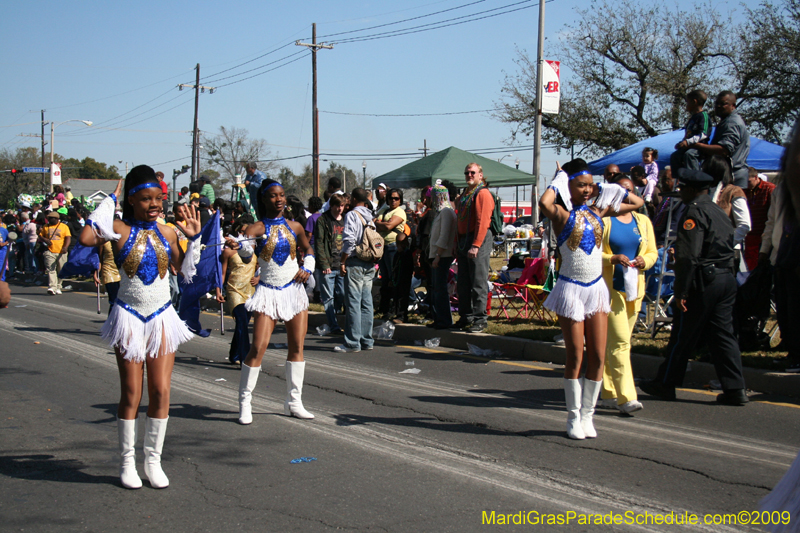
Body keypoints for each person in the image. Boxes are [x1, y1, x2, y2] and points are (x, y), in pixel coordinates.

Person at [79, 166, 202, 490]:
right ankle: (126, 462)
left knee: (161, 390)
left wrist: (192, 238)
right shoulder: (117, 228)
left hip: (162, 316)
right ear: (132, 199)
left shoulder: (169, 231)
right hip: (130, 317)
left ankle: (153, 459)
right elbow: (86, 237)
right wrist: (110, 201)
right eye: (146, 199)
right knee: (132, 392)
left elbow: (182, 268)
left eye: (158, 198)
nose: (154, 204)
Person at [539, 158, 644, 440]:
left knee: (598, 355)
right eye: (580, 185)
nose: (586, 190)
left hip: (596, 289)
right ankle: (573, 417)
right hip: (571, 289)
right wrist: (559, 177)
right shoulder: (561, 214)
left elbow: (637, 202)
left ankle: (588, 415)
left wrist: (609, 185)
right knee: (576, 355)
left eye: (589, 185)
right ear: (569, 187)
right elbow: (544, 203)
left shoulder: (600, 210)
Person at [639, 168, 749, 405]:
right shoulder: (717, 211)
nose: (680, 192)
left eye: (682, 188)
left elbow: (688, 257)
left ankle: (665, 383)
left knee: (681, 335)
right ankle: (735, 388)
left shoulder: (694, 212)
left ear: (691, 189)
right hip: (725, 278)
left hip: (703, 281)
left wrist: (681, 292)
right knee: (723, 335)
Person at [229, 180, 315, 425]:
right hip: (267, 292)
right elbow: (247, 256)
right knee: (258, 347)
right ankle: (245, 402)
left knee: (297, 347)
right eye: (273, 196)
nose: (279, 199)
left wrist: (308, 267)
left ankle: (294, 402)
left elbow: (308, 250)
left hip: (293, 290)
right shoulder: (256, 228)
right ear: (264, 199)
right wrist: (242, 245)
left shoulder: (295, 226)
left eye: (282, 195)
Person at [599, 178, 658, 414]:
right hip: (609, 290)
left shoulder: (642, 221)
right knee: (621, 342)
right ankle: (627, 397)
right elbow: (590, 253)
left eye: (629, 192)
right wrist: (611, 258)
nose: (625, 196)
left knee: (615, 343)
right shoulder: (603, 221)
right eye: (619, 192)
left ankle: (608, 391)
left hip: (634, 289)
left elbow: (653, 251)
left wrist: (646, 261)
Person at [335, 188, 378, 353]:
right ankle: (367, 340)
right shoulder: (370, 217)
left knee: (353, 301)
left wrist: (343, 261)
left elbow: (349, 240)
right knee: (366, 302)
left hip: (355, 262)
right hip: (369, 263)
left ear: (353, 199)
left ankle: (353, 342)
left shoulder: (352, 215)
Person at [455, 163, 495, 333]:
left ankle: (480, 319)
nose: (469, 175)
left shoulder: (482, 193)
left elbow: (483, 222)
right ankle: (466, 316)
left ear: (480, 175)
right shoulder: (465, 194)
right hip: (464, 240)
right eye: (467, 173)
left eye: (473, 172)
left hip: (478, 239)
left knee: (478, 282)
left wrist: (476, 245)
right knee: (463, 282)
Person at [216, 222, 257, 365]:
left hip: (250, 291)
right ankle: (246, 357)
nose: (244, 235)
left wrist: (258, 278)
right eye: (241, 232)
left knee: (243, 324)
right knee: (241, 322)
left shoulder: (254, 250)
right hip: (234, 290)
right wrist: (218, 290)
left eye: (247, 233)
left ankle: (234, 354)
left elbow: (263, 268)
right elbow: (221, 273)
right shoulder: (228, 252)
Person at [694, 91, 751, 188]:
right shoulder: (727, 121)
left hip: (731, 177)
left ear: (733, 106)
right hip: (729, 175)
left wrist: (696, 145)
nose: (719, 106)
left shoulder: (731, 123)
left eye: (723, 104)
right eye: (717, 103)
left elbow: (723, 150)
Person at [704, 155, 751, 271]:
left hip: (726, 255)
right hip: (706, 253)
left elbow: (745, 225)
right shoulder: (706, 192)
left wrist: (724, 245)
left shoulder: (733, 191)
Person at [314, 194, 346, 333]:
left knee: (342, 293)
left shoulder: (346, 219)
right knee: (328, 298)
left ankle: (337, 315)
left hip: (342, 264)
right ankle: (334, 325)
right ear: (331, 206)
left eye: (342, 206)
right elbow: (319, 243)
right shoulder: (323, 220)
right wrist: (324, 264)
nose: (340, 209)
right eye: (337, 206)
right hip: (328, 264)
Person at [427, 182, 457, 329]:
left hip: (443, 255)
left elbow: (444, 235)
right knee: (436, 288)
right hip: (437, 254)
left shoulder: (446, 211)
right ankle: (438, 318)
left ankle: (444, 320)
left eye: (434, 196)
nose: (432, 199)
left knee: (440, 289)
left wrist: (438, 255)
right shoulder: (441, 212)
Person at [374, 188, 407, 319]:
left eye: (396, 198)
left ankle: (394, 310)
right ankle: (384, 308)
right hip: (382, 247)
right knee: (385, 279)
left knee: (394, 279)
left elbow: (388, 226)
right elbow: (375, 223)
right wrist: (383, 223)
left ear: (400, 200)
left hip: (393, 246)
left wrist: (380, 223)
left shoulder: (400, 212)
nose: (393, 200)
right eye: (391, 198)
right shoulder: (384, 209)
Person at [670, 89, 712, 172]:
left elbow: (703, 134)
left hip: (699, 147)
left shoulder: (704, 116)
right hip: (688, 145)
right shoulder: (692, 118)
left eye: (687, 102)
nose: (686, 105)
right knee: (675, 156)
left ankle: (694, 178)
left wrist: (688, 142)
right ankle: (678, 179)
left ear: (694, 102)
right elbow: (688, 134)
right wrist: (682, 143)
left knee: (689, 155)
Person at [744, 167, 776, 271]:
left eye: (749, 182)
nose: (747, 185)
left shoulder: (769, 188)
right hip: (750, 234)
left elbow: (773, 215)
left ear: (756, 177)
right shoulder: (745, 190)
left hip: (763, 234)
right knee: (750, 264)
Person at [38, 211, 71, 295]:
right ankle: (52, 287)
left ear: (57, 219)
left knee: (61, 269)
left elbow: (68, 237)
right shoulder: (46, 227)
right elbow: (40, 235)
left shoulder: (64, 227)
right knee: (51, 269)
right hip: (50, 251)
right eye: (48, 218)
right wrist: (45, 240)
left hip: (61, 252)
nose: (49, 220)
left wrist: (65, 247)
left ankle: (58, 286)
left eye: (51, 218)